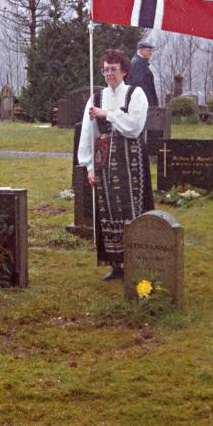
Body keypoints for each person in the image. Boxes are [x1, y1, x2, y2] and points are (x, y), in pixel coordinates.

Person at [76, 49, 154, 280]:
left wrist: (108, 114)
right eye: (106, 69)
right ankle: (116, 264)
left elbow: (134, 127)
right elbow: (88, 133)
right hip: (104, 161)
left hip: (131, 162)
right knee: (107, 209)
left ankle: (137, 261)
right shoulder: (96, 97)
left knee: (132, 209)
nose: (109, 74)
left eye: (114, 69)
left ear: (124, 71)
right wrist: (89, 166)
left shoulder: (135, 94)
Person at [127, 41, 159, 107]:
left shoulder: (140, 63)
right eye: (148, 51)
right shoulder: (137, 64)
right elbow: (139, 85)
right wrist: (148, 103)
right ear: (141, 51)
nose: (151, 53)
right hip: (143, 103)